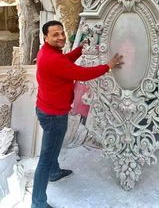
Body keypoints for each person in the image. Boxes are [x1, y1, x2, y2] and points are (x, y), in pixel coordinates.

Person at [32, 20, 124, 208]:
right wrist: (108, 66)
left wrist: (80, 49)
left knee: (52, 148)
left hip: (47, 109)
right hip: (53, 115)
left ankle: (54, 172)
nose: (61, 37)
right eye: (55, 34)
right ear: (45, 37)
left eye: (62, 32)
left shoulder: (48, 52)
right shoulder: (53, 59)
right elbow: (82, 74)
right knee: (45, 158)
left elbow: (65, 61)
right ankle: (37, 203)